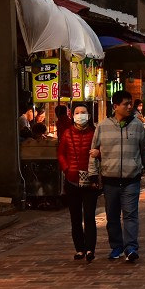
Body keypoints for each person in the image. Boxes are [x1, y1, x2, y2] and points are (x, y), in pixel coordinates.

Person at [88, 89, 145, 263]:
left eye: (130, 103)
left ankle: (131, 247)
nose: (129, 107)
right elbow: (93, 152)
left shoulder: (137, 126)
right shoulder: (102, 127)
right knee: (112, 216)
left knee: (131, 215)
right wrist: (93, 174)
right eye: (125, 104)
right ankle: (116, 247)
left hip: (131, 179)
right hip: (110, 180)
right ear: (115, 106)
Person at [57, 104, 100, 261]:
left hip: (90, 180)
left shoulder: (94, 133)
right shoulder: (67, 134)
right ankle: (79, 249)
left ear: (88, 115)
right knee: (75, 217)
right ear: (72, 115)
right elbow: (61, 154)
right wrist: (66, 168)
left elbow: (102, 152)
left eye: (83, 112)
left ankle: (90, 249)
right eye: (77, 112)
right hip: (72, 180)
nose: (80, 115)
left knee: (89, 216)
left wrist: (98, 153)